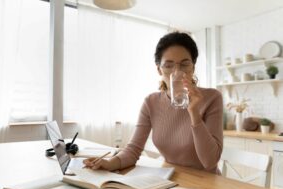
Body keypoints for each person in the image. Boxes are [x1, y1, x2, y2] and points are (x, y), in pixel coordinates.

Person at [84, 32, 223, 174]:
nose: (177, 72)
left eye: (184, 64)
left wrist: (194, 113)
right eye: (168, 65)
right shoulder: (151, 102)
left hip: (207, 182)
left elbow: (210, 161)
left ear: (193, 68)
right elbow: (133, 150)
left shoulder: (212, 98)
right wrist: (108, 163)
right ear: (159, 70)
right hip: (171, 178)